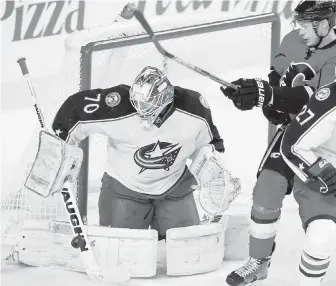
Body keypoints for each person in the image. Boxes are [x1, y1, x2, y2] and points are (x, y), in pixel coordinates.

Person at [220, 1, 336, 285]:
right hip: (291, 130)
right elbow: (278, 75)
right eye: (298, 24)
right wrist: (260, 93)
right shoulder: (293, 39)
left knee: (319, 209)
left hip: (322, 136)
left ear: (324, 25)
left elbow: (315, 102)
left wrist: (267, 95)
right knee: (266, 187)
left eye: (306, 26)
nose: (300, 31)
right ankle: (258, 262)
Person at [52, 66, 224, 240]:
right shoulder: (118, 104)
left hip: (174, 186)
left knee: (186, 249)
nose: (141, 109)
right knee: (121, 254)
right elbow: (74, 109)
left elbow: (209, 146)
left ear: (164, 100)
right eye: (138, 102)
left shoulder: (194, 108)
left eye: (147, 105)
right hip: (125, 187)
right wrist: (58, 150)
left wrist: (214, 174)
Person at [281, 78, 336, 285]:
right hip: (323, 176)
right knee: (322, 234)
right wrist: (321, 169)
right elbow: (293, 145)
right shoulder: (329, 99)